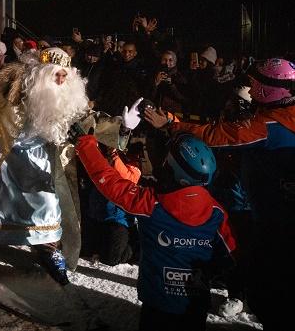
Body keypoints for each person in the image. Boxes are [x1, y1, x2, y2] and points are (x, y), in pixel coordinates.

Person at [144, 58, 295, 331]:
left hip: (278, 224)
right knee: (294, 291)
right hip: (291, 218)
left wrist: (172, 124)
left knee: (275, 293)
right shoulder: (293, 115)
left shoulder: (267, 126)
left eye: (257, 82)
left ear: (270, 89)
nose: (252, 85)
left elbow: (217, 135)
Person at [0, 48, 130, 285]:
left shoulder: (66, 98)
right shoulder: (14, 81)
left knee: (48, 207)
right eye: (56, 75)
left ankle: (47, 249)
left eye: (64, 76)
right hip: (3, 156)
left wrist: (122, 127)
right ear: (42, 73)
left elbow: (89, 122)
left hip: (41, 161)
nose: (60, 81)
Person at [73, 124, 235, 331]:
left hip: (157, 303)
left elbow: (111, 184)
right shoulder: (216, 212)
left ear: (172, 168)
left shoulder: (152, 204)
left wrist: (86, 146)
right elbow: (232, 254)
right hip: (196, 304)